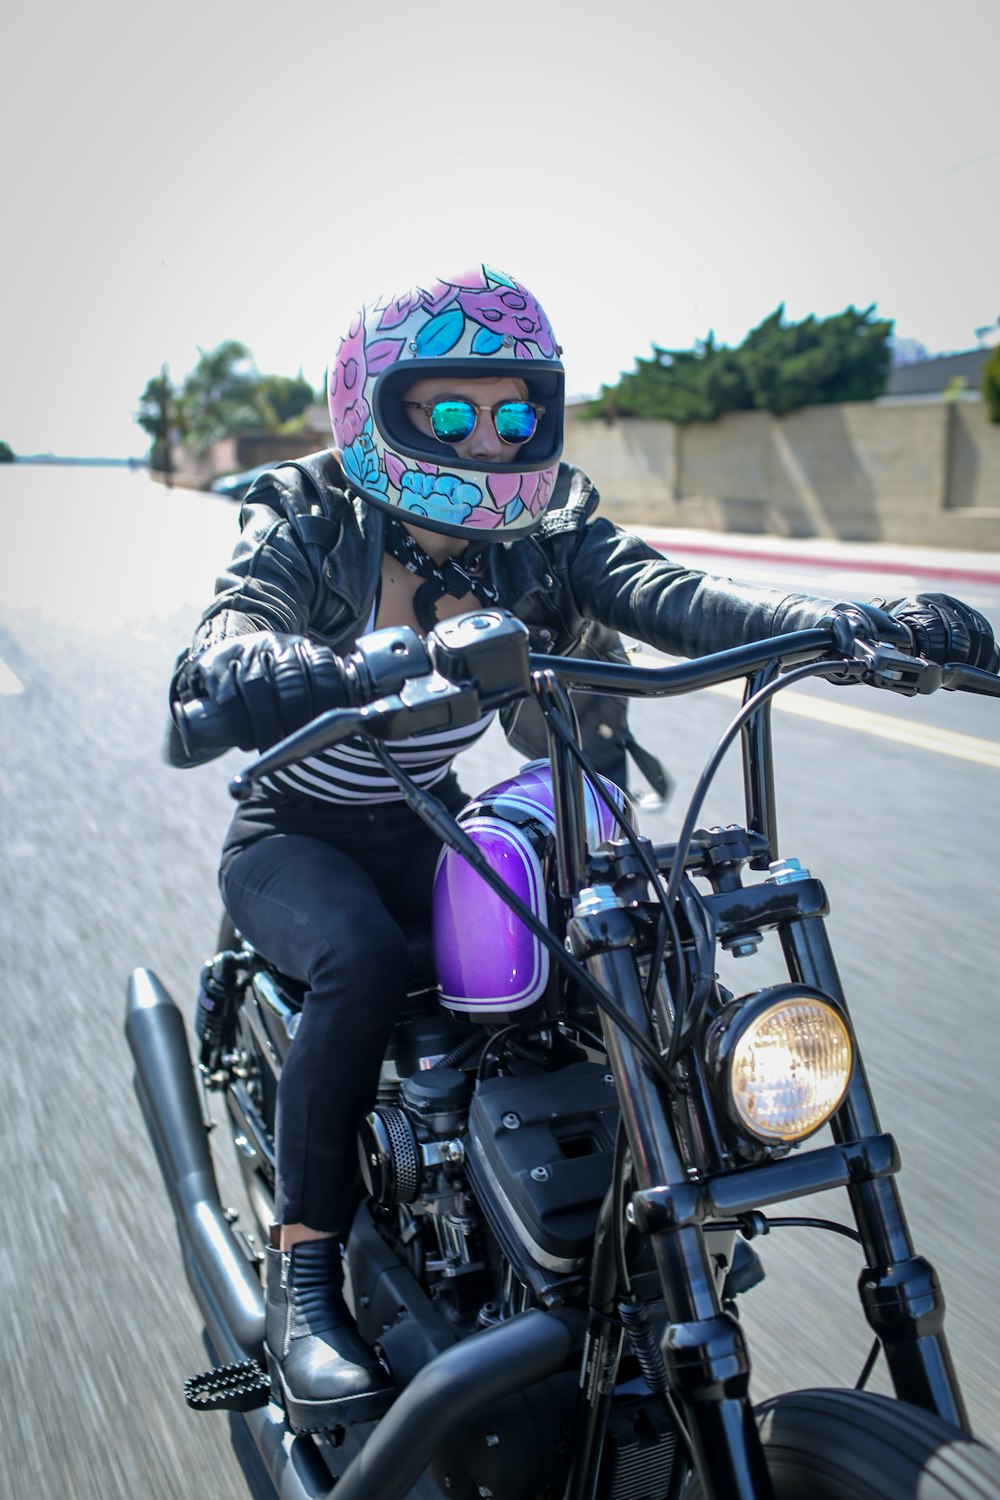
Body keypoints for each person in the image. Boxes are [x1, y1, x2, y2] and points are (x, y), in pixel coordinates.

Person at [167, 261, 997, 1434]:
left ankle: (603, 1216)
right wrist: (286, 665)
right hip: (293, 832)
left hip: (425, 817)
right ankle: (307, 1277)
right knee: (356, 960)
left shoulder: (547, 526)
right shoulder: (306, 511)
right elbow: (229, 631)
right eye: (449, 413)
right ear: (374, 406)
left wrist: (838, 625)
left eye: (516, 412)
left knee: (601, 935)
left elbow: (665, 592)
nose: (489, 437)